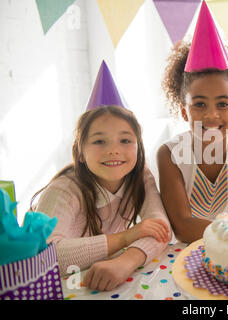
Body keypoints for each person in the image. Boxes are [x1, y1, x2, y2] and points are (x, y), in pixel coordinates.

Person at [31, 61, 171, 292]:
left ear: (138, 146)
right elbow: (46, 254)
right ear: (81, 152)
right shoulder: (65, 189)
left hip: (105, 281)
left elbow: (160, 228)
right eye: (99, 141)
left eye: (125, 140)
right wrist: (126, 238)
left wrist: (125, 262)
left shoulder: (139, 174)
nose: (113, 150)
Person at [157, 2, 228, 243]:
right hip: (190, 249)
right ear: (184, 111)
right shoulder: (169, 155)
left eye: (222, 104)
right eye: (199, 104)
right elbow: (183, 226)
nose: (211, 115)